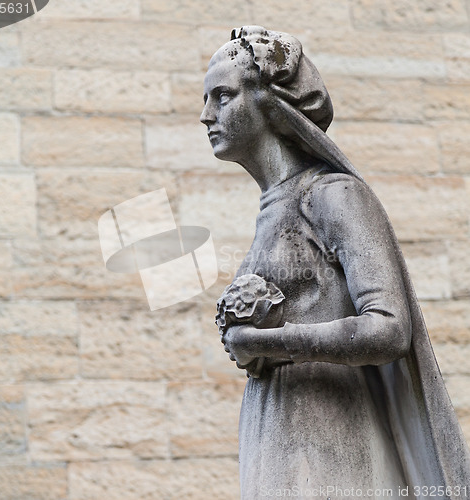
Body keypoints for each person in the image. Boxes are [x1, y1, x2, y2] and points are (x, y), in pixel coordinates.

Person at [200, 26, 470, 499]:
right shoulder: (272, 212)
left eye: (222, 96)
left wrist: (271, 343)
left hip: (331, 439)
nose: (206, 116)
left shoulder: (334, 195)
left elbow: (389, 327)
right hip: (276, 433)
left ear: (269, 102)